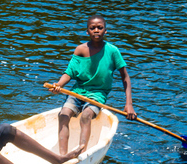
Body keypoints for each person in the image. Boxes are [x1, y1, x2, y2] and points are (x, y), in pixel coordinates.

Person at [49, 15, 137, 155]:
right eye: (92, 28)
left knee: (86, 115)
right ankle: (62, 156)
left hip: (98, 94)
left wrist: (129, 104)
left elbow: (125, 77)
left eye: (100, 27)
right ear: (87, 32)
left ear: (105, 31)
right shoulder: (80, 50)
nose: (96, 30)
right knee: (63, 115)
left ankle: (81, 151)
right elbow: (69, 72)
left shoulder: (112, 51)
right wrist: (59, 85)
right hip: (78, 91)